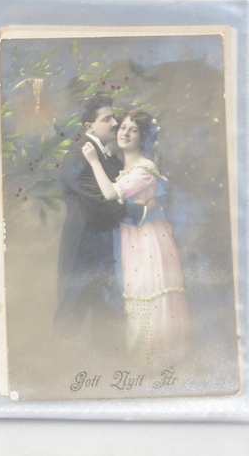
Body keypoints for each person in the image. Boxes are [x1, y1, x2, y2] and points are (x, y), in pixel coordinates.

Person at [79, 109, 192, 367]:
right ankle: (140, 360)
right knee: (135, 295)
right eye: (123, 128)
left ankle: (157, 361)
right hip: (132, 239)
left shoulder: (144, 168)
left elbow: (110, 194)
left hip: (148, 240)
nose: (126, 133)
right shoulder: (126, 167)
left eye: (134, 130)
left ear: (143, 137)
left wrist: (94, 162)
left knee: (148, 293)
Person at [54, 97, 144, 350]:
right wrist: (142, 213)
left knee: (107, 310)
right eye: (107, 119)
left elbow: (122, 191)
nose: (115, 123)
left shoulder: (111, 157)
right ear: (89, 127)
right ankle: (58, 365)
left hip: (108, 246)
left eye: (114, 117)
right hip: (84, 247)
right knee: (73, 309)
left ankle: (108, 365)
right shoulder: (78, 157)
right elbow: (99, 203)